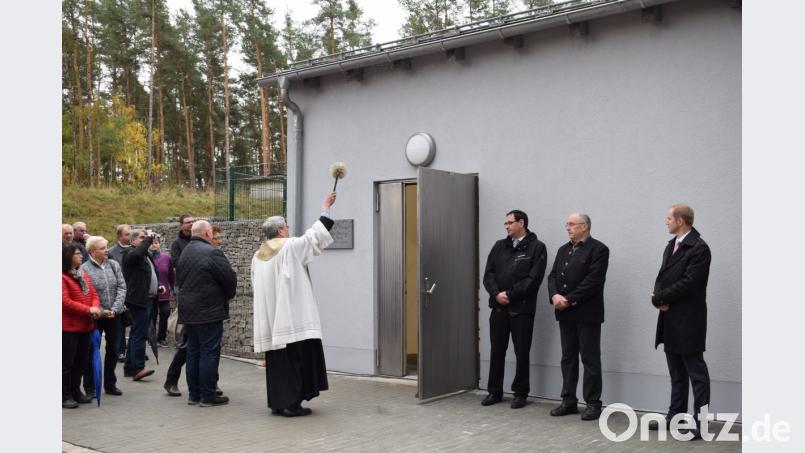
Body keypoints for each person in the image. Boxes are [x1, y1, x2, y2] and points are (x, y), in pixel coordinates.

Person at [252, 192, 337, 417]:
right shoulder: (289, 246)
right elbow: (314, 236)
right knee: (296, 359)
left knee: (279, 362)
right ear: (280, 230)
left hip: (272, 319)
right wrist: (325, 206)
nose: (288, 229)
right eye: (286, 226)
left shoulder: (258, 254)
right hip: (291, 318)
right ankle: (292, 404)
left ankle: (278, 403)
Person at [651, 204, 711, 440]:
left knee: (696, 373)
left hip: (688, 319)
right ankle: (675, 415)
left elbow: (690, 282)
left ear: (681, 221)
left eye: (668, 218)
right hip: (669, 317)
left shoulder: (699, 248)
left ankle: (701, 423)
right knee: (676, 373)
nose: (666, 222)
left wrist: (663, 297)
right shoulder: (672, 245)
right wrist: (658, 298)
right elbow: (662, 276)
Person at [481, 209, 547, 409]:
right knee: (497, 351)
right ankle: (494, 391)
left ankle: (520, 393)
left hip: (522, 310)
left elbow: (533, 279)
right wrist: (496, 294)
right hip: (499, 309)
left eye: (510, 222)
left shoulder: (537, 247)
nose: (506, 226)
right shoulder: (499, 246)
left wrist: (510, 295)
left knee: (522, 352)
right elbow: (488, 274)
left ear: (522, 223)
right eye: (505, 223)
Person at [547, 213, 609, 420]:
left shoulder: (599, 249)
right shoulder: (563, 250)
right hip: (565, 313)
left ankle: (593, 403)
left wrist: (570, 299)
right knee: (568, 358)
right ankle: (569, 401)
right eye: (567, 224)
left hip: (586, 313)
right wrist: (554, 295)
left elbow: (593, 281)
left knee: (590, 359)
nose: (568, 228)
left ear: (585, 227)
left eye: (572, 224)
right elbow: (553, 276)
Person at [176, 220, 237, 407]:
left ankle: (194, 395)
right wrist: (228, 295)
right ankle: (208, 395)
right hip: (209, 311)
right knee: (209, 353)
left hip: (188, 312)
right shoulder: (212, 252)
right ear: (207, 234)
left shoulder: (185, 252)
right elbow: (229, 279)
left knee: (193, 352)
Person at [80, 236, 127, 397]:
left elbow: (122, 287)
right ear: (92, 251)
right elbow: (85, 294)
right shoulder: (84, 269)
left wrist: (114, 309)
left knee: (113, 350)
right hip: (95, 316)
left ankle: (110, 384)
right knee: (91, 351)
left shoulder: (113, 265)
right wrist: (100, 311)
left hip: (115, 315)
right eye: (102, 248)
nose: (106, 250)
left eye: (106, 247)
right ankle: (90, 386)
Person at [62, 243, 101, 408]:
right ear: (68, 256)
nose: (81, 256)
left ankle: (76, 392)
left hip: (85, 326)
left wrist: (95, 307)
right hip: (69, 328)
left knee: (80, 362)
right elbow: (65, 302)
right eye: (77, 254)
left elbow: (93, 294)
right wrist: (88, 309)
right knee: (67, 364)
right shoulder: (61, 277)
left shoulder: (82, 274)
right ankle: (65, 395)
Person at [121, 228, 157, 381]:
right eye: (142, 238)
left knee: (136, 334)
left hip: (146, 299)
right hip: (137, 300)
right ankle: (137, 368)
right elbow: (136, 255)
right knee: (139, 335)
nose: (145, 240)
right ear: (133, 240)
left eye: (146, 238)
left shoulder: (144, 254)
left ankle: (129, 367)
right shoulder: (130, 253)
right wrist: (148, 239)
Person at [108, 224, 132, 362]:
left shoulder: (135, 250)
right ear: (119, 236)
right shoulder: (111, 252)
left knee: (135, 322)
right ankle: (121, 350)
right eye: (126, 234)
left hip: (134, 290)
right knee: (121, 323)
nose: (129, 237)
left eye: (130, 234)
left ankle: (132, 350)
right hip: (120, 291)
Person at [149, 235, 175, 347]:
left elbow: (171, 275)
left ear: (159, 244)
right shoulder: (146, 258)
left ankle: (161, 337)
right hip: (151, 293)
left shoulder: (166, 257)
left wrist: (173, 289)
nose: (154, 244)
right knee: (152, 316)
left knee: (165, 312)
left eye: (156, 242)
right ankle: (152, 338)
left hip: (164, 293)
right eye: (151, 243)